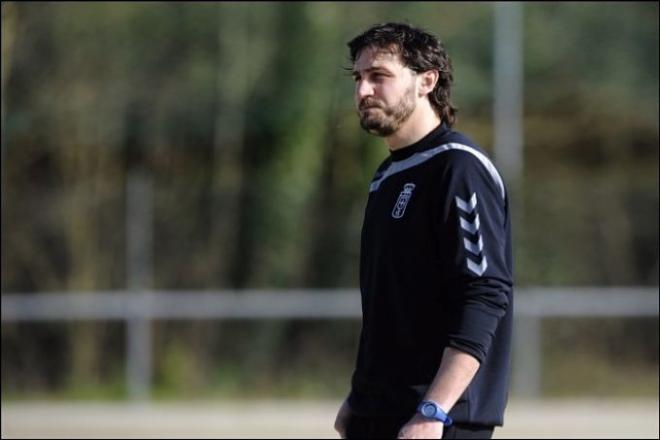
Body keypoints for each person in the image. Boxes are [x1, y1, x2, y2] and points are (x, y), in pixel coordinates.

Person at [334, 22, 514, 439]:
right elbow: (392, 305)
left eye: (379, 76)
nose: (363, 91)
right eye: (358, 78)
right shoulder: (386, 176)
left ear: (426, 80)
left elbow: (484, 295)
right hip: (379, 412)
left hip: (437, 422)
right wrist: (360, 396)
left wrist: (434, 410)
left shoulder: (459, 167)